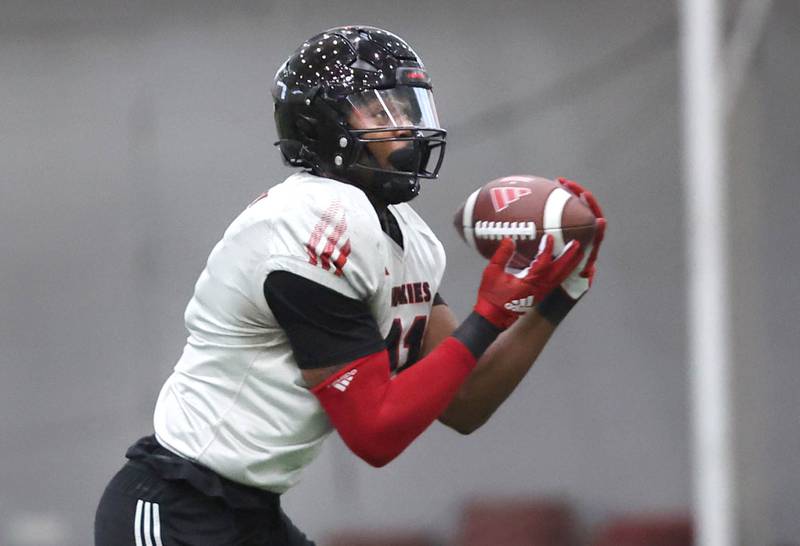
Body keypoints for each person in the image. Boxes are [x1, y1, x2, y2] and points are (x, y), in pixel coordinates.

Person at [94, 25, 606, 546]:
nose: (405, 125)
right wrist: (491, 313)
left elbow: (464, 401)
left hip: (250, 513)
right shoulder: (307, 225)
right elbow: (375, 435)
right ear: (323, 123)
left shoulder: (407, 235)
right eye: (380, 111)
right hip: (176, 505)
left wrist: (558, 297)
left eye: (407, 109)